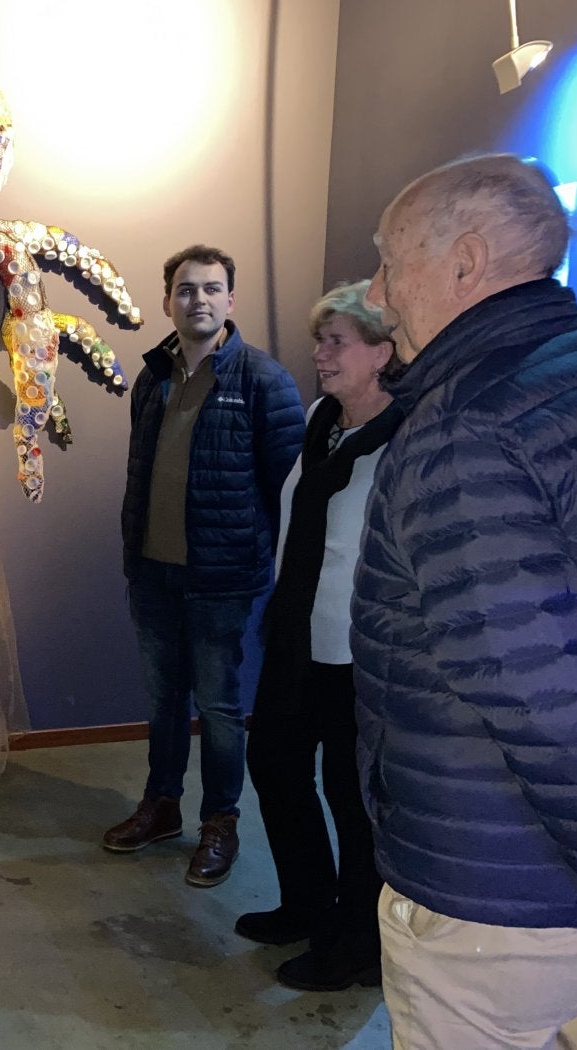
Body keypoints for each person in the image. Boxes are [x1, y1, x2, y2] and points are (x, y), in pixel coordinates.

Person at [353, 152, 577, 1047]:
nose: (376, 296)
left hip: (501, 899)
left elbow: (551, 705)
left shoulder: (466, 431)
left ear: (463, 263)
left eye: (390, 262)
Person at [108, 244, 305, 888]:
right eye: (186, 289)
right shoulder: (152, 376)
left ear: (230, 300)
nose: (199, 300)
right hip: (154, 572)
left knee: (219, 708)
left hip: (222, 580)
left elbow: (287, 485)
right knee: (165, 700)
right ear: (168, 300)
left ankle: (220, 821)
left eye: (211, 289)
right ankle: (162, 805)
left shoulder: (262, 380)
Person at [236, 280, 400, 991]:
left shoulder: (402, 443)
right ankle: (306, 903)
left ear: (382, 352)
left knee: (352, 798)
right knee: (273, 764)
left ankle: (356, 944)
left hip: (357, 651)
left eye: (337, 342)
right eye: (321, 339)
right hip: (297, 634)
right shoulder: (319, 420)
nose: (320, 353)